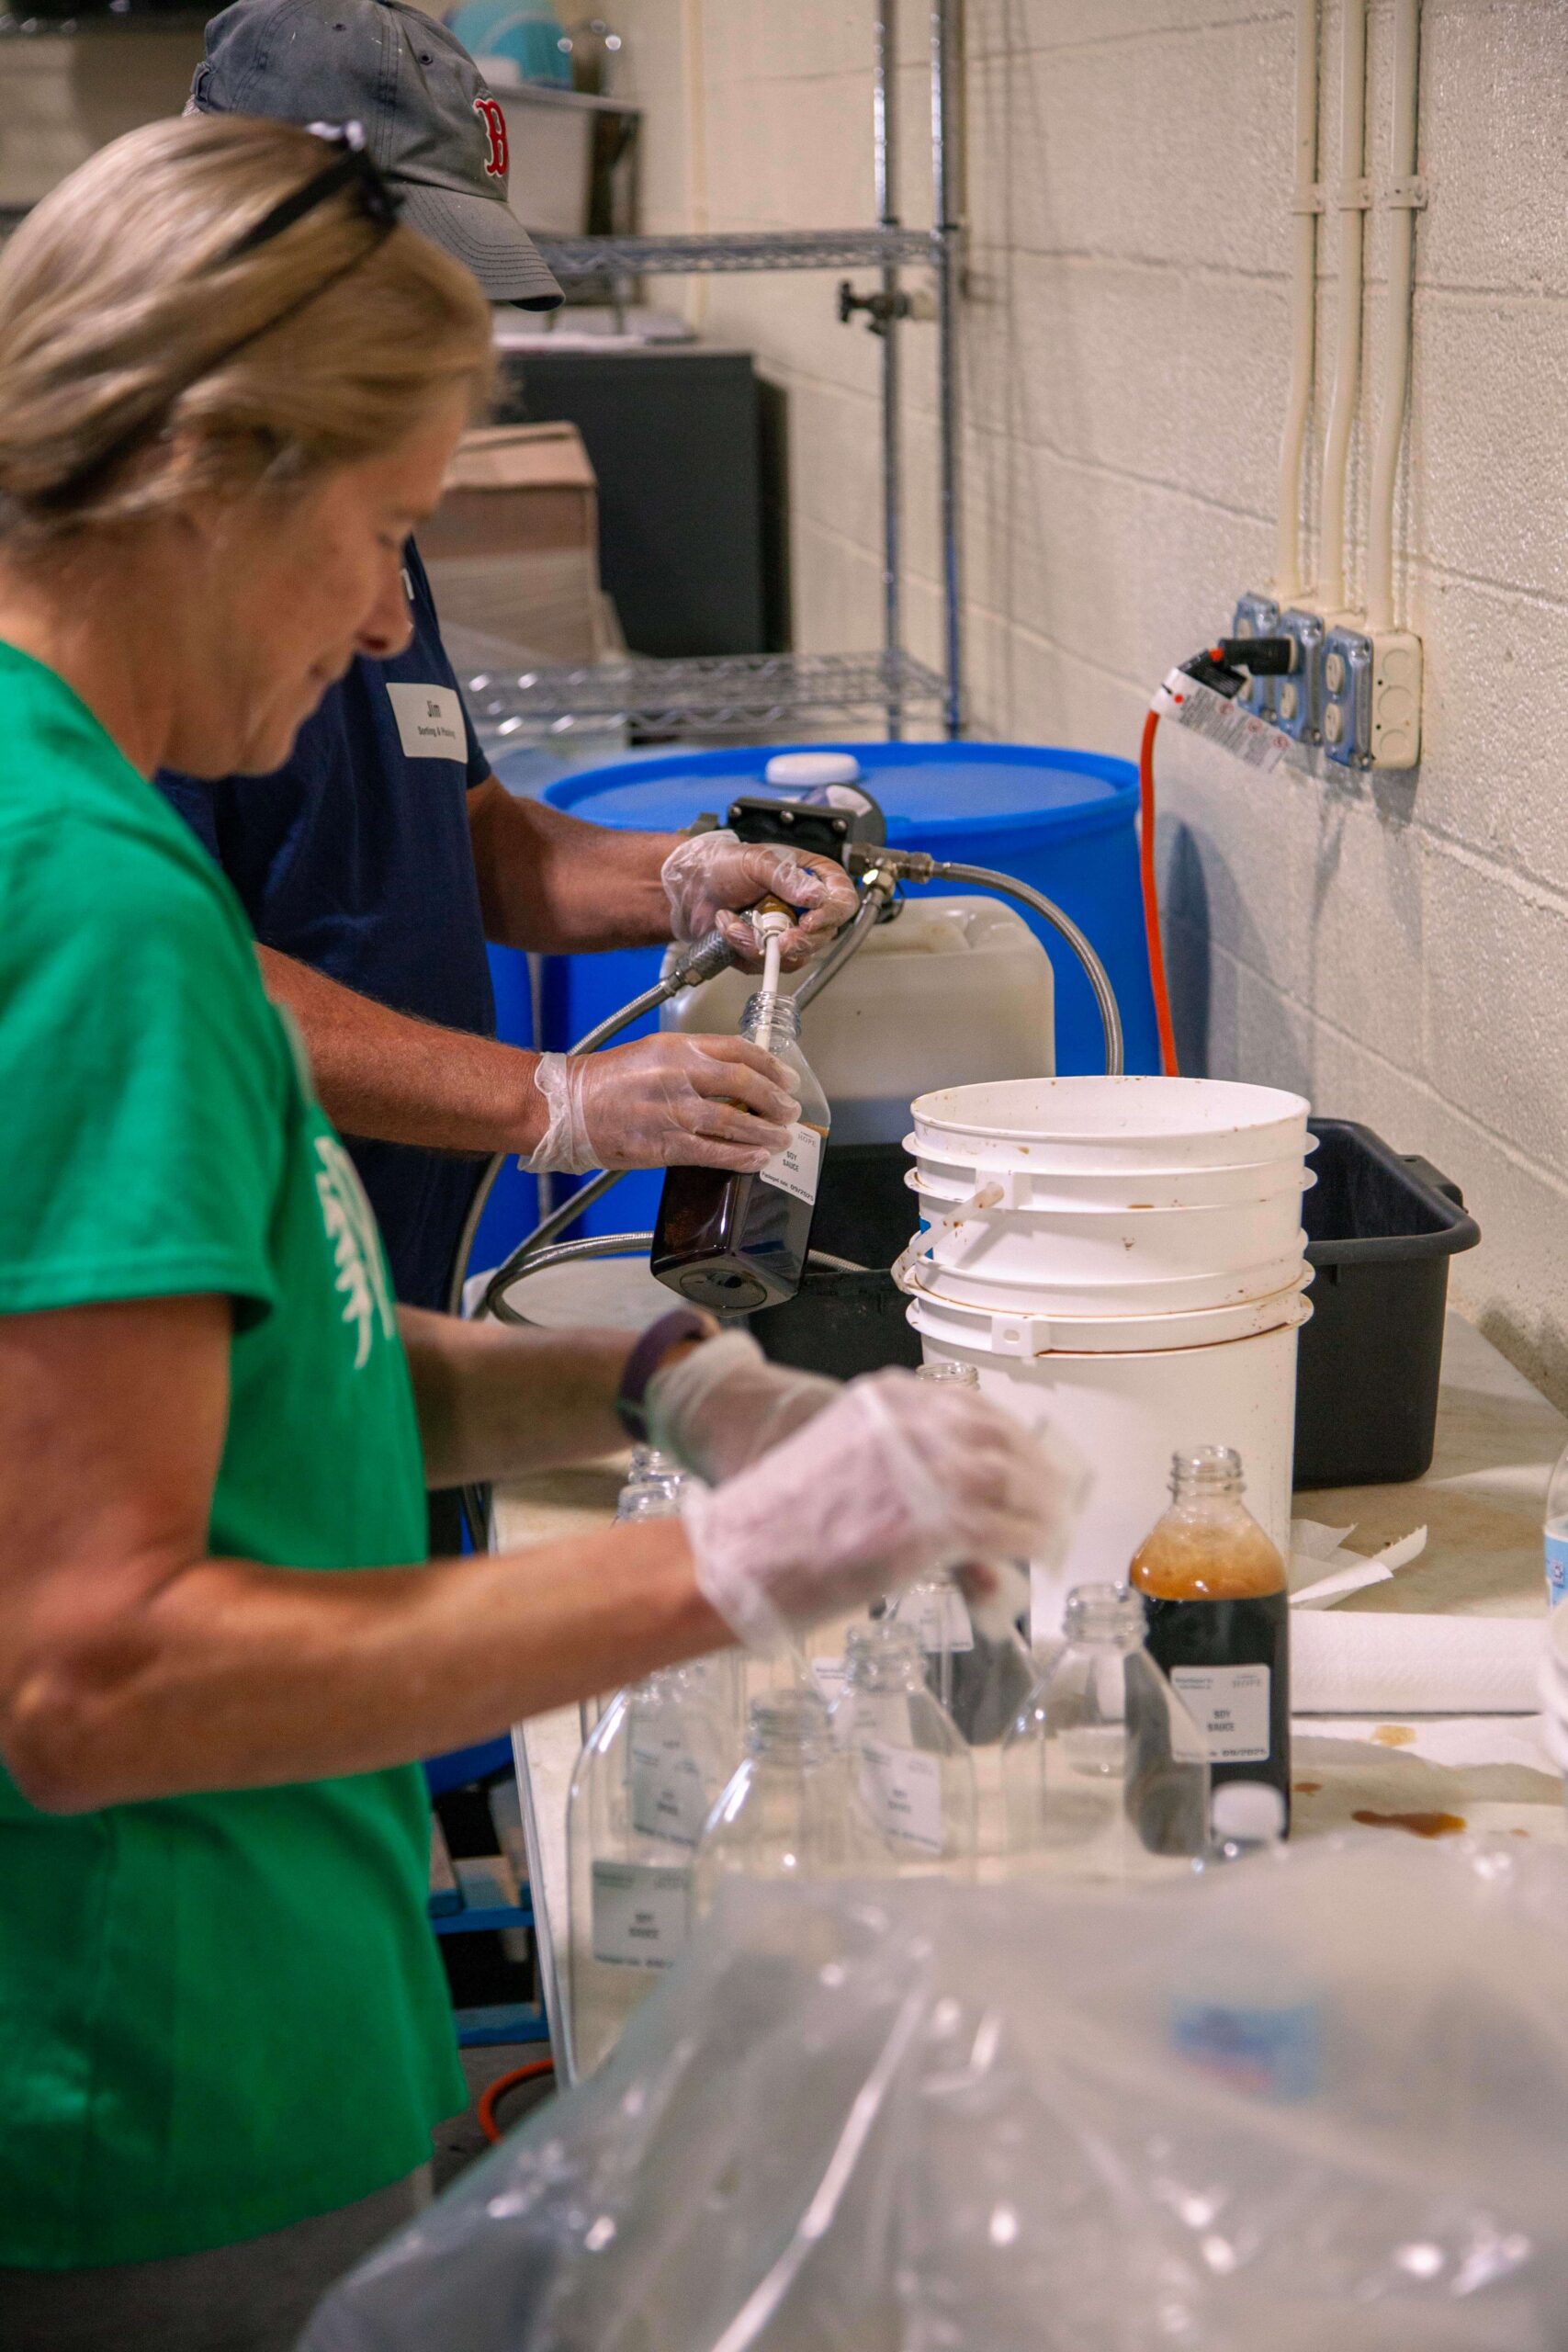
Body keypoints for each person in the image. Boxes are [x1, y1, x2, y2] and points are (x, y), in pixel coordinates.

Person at [0, 116, 1074, 2352]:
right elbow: (90, 1673)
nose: (394, 613)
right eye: (380, 533)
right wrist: (721, 1568)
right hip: (143, 2097)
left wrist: (640, 1379)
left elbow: (273, 1369)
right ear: (209, 465)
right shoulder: (88, 899)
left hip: (222, 2028)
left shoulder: (75, 809)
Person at [160, 0, 860, 1341]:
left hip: (385, 1280)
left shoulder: (346, 498)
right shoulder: (129, 572)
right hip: (222, 1281)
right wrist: (548, 1098)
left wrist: (677, 877)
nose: (377, 614)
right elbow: (166, 969)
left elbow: (458, 832)